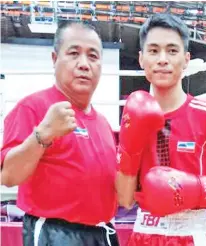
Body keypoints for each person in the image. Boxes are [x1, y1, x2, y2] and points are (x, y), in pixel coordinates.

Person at [116, 13, 206, 246]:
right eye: (153, 51)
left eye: (172, 51)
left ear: (186, 59)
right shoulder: (132, 116)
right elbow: (125, 198)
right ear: (141, 59)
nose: (163, 59)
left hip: (191, 234)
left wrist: (197, 190)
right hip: (143, 233)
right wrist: (129, 152)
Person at [1, 21, 119, 246]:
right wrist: (43, 134)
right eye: (74, 53)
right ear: (55, 59)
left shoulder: (103, 123)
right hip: (54, 233)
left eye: (93, 56)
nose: (84, 64)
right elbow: (8, 176)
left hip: (102, 232)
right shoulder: (33, 107)